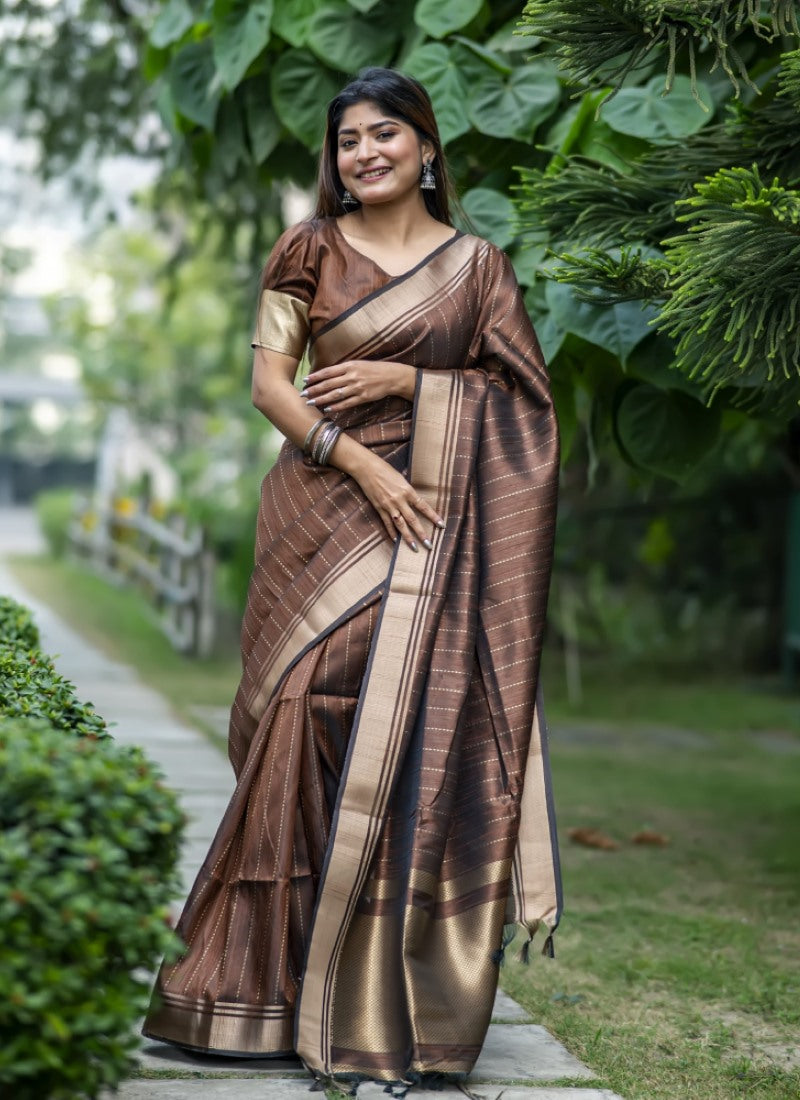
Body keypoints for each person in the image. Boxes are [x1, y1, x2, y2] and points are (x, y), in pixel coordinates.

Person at [143, 66, 561, 1091]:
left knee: (398, 725)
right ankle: (246, 990)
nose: (364, 153)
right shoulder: (309, 248)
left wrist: (408, 384)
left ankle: (372, 996)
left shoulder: (477, 269)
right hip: (322, 507)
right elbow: (267, 385)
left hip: (428, 524)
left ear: (426, 147)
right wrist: (361, 455)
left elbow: (526, 413)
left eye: (385, 134)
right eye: (347, 142)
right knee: (294, 711)